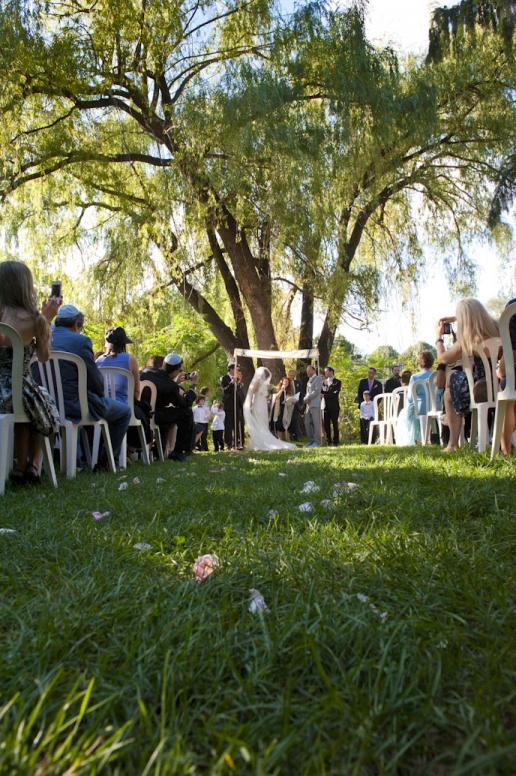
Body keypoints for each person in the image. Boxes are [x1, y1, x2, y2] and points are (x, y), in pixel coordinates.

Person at [0, 260, 61, 484]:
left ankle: (21, 466)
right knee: (42, 403)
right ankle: (33, 465)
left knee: (32, 404)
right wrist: (45, 320)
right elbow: (44, 357)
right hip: (16, 389)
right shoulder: (35, 320)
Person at [51, 304, 131, 467]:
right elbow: (95, 380)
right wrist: (98, 394)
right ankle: (106, 462)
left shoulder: (43, 338)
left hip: (48, 404)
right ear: (76, 324)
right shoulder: (81, 341)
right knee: (125, 412)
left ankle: (78, 461)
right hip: (76, 405)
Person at [435, 298, 499, 452]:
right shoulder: (497, 328)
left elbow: (443, 358)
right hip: (500, 386)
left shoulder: (467, 338)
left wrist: (438, 338)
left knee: (450, 390)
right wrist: (457, 317)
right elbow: (479, 316)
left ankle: (453, 444)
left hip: (480, 389)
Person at [96, 326, 152, 452]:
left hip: (101, 405)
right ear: (124, 343)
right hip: (123, 407)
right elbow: (137, 390)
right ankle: (130, 450)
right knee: (141, 413)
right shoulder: (130, 359)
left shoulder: (98, 361)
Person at [141, 352, 198, 461]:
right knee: (186, 413)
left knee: (168, 413)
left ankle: (159, 451)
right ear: (176, 370)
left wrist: (175, 383)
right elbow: (184, 404)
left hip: (140, 411)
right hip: (154, 415)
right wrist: (192, 387)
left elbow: (161, 385)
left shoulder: (146, 371)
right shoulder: (170, 386)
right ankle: (178, 451)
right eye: (179, 370)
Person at [244, 366, 296, 451]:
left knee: (263, 421)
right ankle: (258, 440)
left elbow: (269, 394)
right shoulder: (257, 383)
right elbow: (252, 392)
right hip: (257, 403)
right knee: (258, 420)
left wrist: (267, 395)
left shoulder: (266, 384)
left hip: (263, 404)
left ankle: (263, 439)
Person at [395, 351, 434, 446]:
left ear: (419, 363)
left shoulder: (415, 377)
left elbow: (410, 397)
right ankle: (425, 437)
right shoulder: (436, 375)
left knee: (404, 413)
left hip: (420, 408)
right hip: (435, 407)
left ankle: (417, 438)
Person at [221, 363, 245, 449]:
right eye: (236, 369)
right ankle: (229, 443)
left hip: (237, 405)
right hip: (229, 405)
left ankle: (238, 442)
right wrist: (232, 382)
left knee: (237, 424)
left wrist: (238, 383)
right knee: (228, 424)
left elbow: (239, 392)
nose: (238, 371)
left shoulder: (238, 379)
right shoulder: (225, 378)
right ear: (231, 369)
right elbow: (225, 391)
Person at [270, 376, 298, 442]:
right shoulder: (277, 389)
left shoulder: (289, 391)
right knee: (277, 424)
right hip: (277, 409)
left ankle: (283, 439)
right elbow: (276, 397)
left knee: (283, 424)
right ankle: (279, 439)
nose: (286, 383)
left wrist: (291, 400)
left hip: (284, 409)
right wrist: (281, 390)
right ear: (282, 382)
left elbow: (289, 401)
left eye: (287, 382)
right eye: (285, 381)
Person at [303, 365, 323, 448]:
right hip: (308, 405)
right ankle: (311, 441)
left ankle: (317, 442)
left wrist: (307, 398)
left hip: (315, 404)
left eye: (308, 370)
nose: (307, 372)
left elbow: (316, 391)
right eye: (307, 371)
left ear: (313, 370)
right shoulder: (309, 380)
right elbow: (308, 392)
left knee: (316, 423)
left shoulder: (318, 378)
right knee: (307, 423)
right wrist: (305, 398)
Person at [321, 366, 341, 446]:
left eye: (326, 371)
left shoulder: (337, 382)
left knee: (335, 423)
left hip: (334, 406)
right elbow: (322, 391)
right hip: (325, 406)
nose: (325, 373)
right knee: (326, 424)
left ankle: (336, 440)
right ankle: (328, 440)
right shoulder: (324, 382)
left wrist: (324, 395)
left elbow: (334, 394)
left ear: (331, 372)